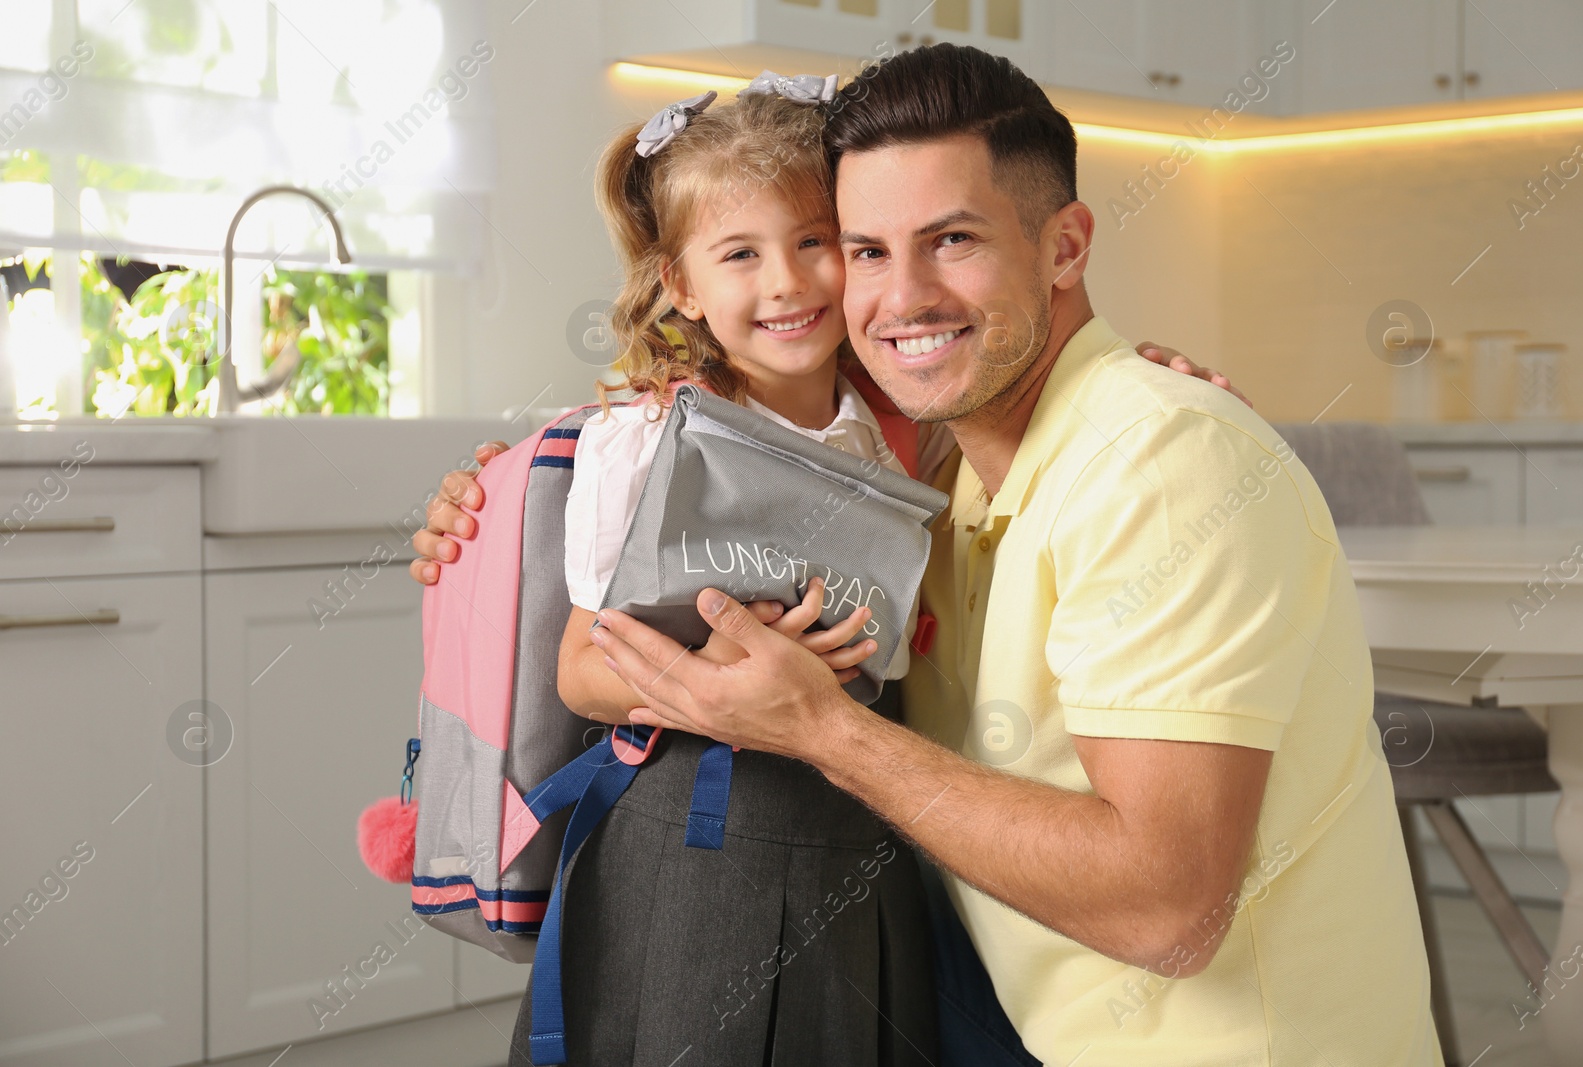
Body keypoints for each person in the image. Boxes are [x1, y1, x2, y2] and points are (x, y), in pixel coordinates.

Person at [577, 45, 1444, 1067]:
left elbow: (1167, 911)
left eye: (951, 240)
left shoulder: (1161, 464)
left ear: (1064, 247)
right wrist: (494, 492)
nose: (901, 297)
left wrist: (821, 729)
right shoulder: (943, 481)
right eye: (863, 250)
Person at [411, 61, 1263, 1067]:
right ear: (679, 284)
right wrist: (749, 684)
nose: (786, 280)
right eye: (739, 254)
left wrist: (1130, 378)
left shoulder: (903, 428)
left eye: (818, 243)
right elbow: (579, 666)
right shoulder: (652, 437)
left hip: (865, 825)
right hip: (706, 829)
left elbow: (1042, 420)